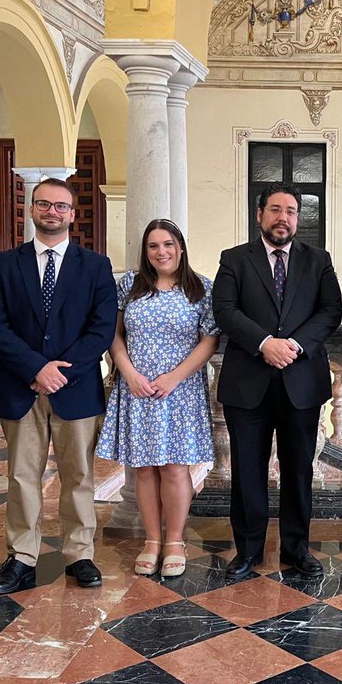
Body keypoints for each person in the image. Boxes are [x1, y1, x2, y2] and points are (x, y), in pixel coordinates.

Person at [0, 178, 116, 594]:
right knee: (22, 476)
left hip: (75, 388)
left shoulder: (95, 266)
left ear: (72, 214)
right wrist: (36, 369)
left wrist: (61, 372)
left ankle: (80, 553)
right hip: (20, 386)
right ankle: (22, 556)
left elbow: (101, 328)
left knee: (78, 475)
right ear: (31, 210)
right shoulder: (5, 263)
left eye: (61, 206)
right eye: (44, 204)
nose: (52, 212)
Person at [212, 183, 342, 579]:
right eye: (275, 209)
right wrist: (265, 343)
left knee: (299, 469)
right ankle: (248, 549)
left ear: (297, 218)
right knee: (247, 470)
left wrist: (295, 345)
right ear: (259, 214)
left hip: (300, 380)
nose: (282, 217)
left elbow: (330, 310)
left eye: (290, 211)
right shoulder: (235, 259)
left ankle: (296, 548)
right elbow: (225, 310)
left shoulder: (317, 260)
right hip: (248, 381)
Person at [96, 220, 219, 577]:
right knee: (144, 469)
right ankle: (152, 540)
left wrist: (174, 378)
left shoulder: (201, 289)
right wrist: (129, 372)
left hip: (179, 391)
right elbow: (113, 335)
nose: (161, 252)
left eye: (168, 244)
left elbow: (209, 341)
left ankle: (175, 541)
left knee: (175, 468)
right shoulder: (129, 286)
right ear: (145, 251)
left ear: (181, 247)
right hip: (137, 388)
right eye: (153, 246)